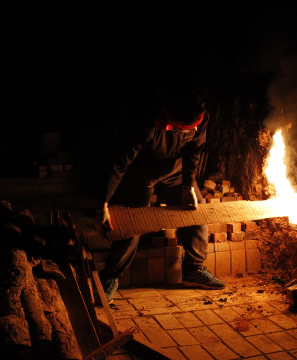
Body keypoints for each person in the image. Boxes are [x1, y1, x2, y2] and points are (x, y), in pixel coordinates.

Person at [95, 88, 225, 303]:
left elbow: (194, 152)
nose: (184, 133)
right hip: (142, 171)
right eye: (179, 129)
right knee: (133, 221)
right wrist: (103, 205)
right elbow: (119, 163)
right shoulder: (146, 120)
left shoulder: (199, 116)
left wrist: (187, 187)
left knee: (196, 212)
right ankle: (110, 277)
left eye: (187, 130)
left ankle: (193, 270)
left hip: (175, 169)